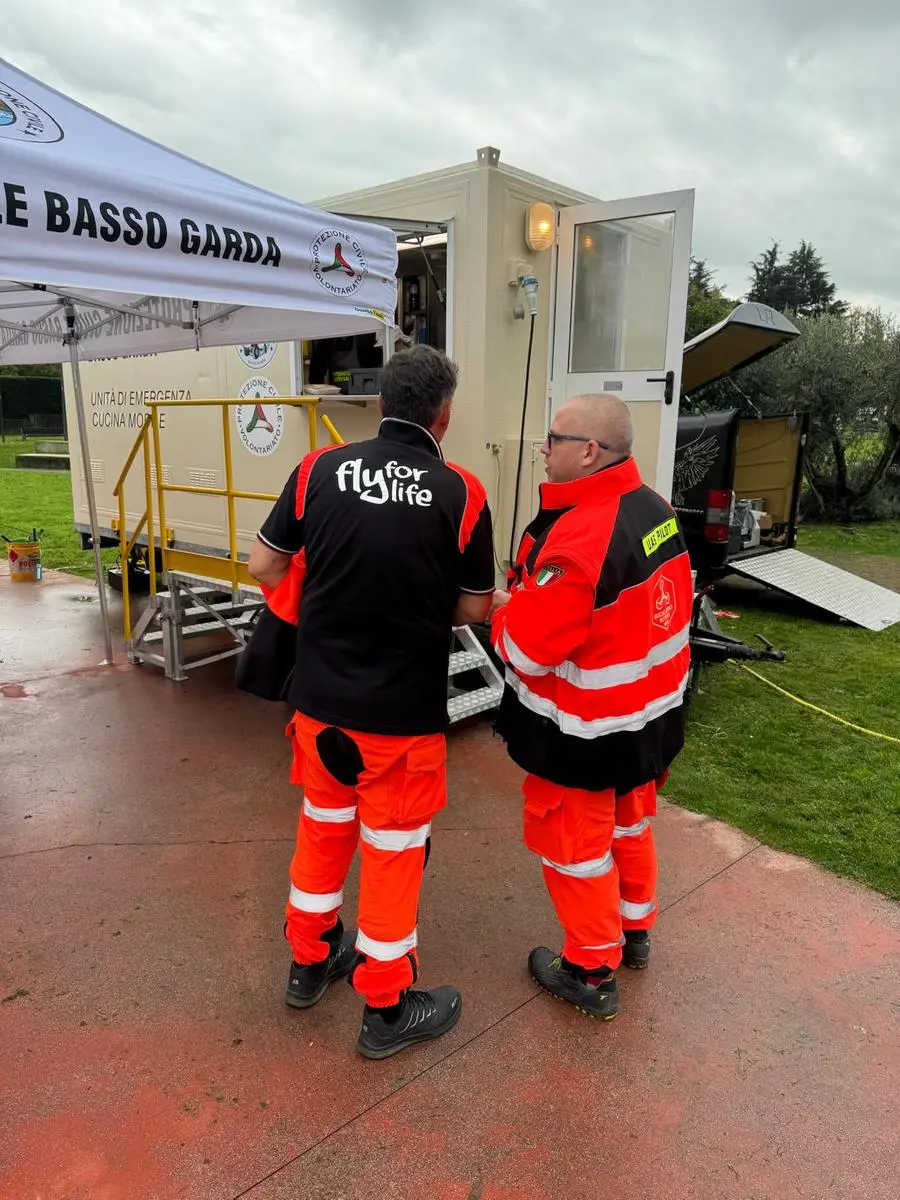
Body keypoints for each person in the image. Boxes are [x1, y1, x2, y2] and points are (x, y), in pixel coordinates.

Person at [248, 344, 495, 1059]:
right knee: (392, 852)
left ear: (381, 403)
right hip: (401, 716)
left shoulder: (317, 469)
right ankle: (385, 1010)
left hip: (320, 704)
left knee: (324, 831)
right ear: (443, 415)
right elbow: (474, 608)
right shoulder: (463, 492)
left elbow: (264, 562)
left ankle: (309, 961)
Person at [490, 393, 693, 1020]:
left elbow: (528, 647)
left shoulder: (581, 535)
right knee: (630, 829)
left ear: (588, 452)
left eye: (553, 439)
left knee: (576, 850)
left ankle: (589, 968)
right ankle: (634, 935)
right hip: (647, 722)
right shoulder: (654, 508)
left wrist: (503, 608)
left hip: (585, 733)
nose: (543, 450)